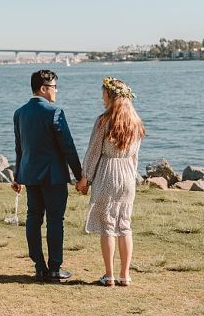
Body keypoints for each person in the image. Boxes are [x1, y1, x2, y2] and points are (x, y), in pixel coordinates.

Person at [12, 69, 84, 282]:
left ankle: (39, 266)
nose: (56, 91)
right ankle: (54, 268)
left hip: (30, 176)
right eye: (54, 87)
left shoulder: (20, 113)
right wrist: (80, 175)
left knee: (33, 219)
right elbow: (68, 147)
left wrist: (17, 176)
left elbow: (19, 148)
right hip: (53, 177)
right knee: (55, 221)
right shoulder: (55, 112)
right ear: (43, 88)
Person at [76, 76, 146, 287]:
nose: (102, 97)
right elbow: (135, 156)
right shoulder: (136, 122)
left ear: (110, 95)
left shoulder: (103, 121)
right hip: (127, 174)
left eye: (103, 93)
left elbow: (94, 152)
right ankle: (125, 275)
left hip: (107, 171)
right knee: (124, 225)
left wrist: (84, 179)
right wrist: (132, 178)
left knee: (108, 225)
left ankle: (109, 275)